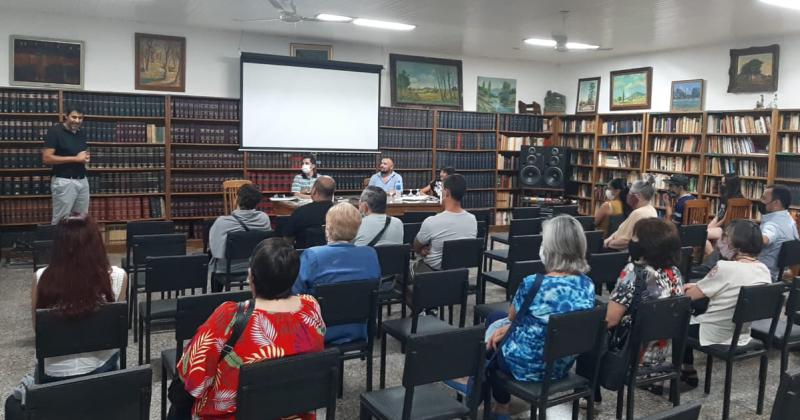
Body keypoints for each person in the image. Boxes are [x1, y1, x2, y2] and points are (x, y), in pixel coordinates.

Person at [177, 238, 325, 420]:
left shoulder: (229, 316)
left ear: (251, 277)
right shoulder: (311, 308)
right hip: (295, 413)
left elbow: (193, 379)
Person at [5, 215, 128, 420]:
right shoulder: (118, 276)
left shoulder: (41, 278)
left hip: (53, 376)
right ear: (98, 243)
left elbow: (40, 332)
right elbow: (115, 329)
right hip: (102, 371)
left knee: (12, 403)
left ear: (58, 246)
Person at [481, 215, 595, 419]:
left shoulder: (533, 283)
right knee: (497, 320)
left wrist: (509, 327)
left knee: (493, 336)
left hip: (527, 365)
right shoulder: (587, 284)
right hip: (559, 364)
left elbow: (512, 315)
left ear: (551, 248)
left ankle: (501, 404)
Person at [681, 220, 771, 388]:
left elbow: (689, 296)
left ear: (734, 242)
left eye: (725, 237)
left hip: (715, 333)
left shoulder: (724, 267)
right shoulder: (764, 269)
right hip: (742, 334)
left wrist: (691, 287)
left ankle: (686, 369)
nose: (721, 241)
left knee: (680, 320)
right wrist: (700, 286)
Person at [606, 218, 684, 395]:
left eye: (635, 237)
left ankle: (590, 398)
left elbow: (610, 320)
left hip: (633, 356)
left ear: (647, 245)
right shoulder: (675, 272)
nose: (632, 241)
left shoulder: (634, 272)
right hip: (663, 354)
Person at [292, 202, 380, 344]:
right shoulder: (370, 254)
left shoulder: (313, 255)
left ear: (328, 228)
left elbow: (295, 294)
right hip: (358, 329)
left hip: (318, 330)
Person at [208, 184, 271, 292]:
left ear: (237, 199)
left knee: (215, 269)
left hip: (226, 271)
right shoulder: (264, 218)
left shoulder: (222, 222)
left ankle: (216, 299)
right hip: (255, 268)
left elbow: (216, 251)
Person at [412, 174, 477, 272]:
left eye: (441, 189)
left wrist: (421, 250)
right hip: (460, 274)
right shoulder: (473, 219)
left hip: (432, 274)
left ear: (446, 193)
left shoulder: (432, 221)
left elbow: (416, 246)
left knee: (402, 273)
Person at [43, 107, 90, 225]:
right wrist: (75, 159)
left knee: (81, 220)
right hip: (64, 181)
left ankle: (77, 244)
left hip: (82, 181)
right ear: (66, 116)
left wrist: (85, 159)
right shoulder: (55, 132)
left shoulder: (81, 133)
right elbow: (47, 158)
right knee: (61, 221)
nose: (77, 120)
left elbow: (80, 155)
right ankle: (60, 244)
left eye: (80, 118)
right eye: (74, 117)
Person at [757, 185, 800, 281]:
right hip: (781, 274)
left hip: (765, 275)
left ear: (776, 203)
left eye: (763, 198)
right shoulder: (789, 219)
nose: (760, 201)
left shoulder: (773, 224)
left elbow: (765, 239)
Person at [604, 176, 659, 251]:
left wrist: (607, 243)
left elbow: (627, 241)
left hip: (621, 253)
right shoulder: (652, 209)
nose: (627, 196)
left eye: (630, 194)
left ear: (637, 196)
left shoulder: (638, 213)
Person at [284, 176, 335, 249]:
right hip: (334, 257)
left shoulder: (300, 212)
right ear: (333, 193)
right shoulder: (341, 213)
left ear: (314, 190)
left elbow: (287, 240)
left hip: (304, 256)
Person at [705, 173, 743, 256]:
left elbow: (724, 220)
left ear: (731, 185)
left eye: (724, 183)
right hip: (724, 228)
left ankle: (713, 260)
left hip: (728, 230)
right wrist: (708, 227)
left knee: (701, 236)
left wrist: (711, 228)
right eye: (721, 183)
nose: (722, 185)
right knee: (703, 233)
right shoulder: (727, 198)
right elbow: (719, 215)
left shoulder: (734, 200)